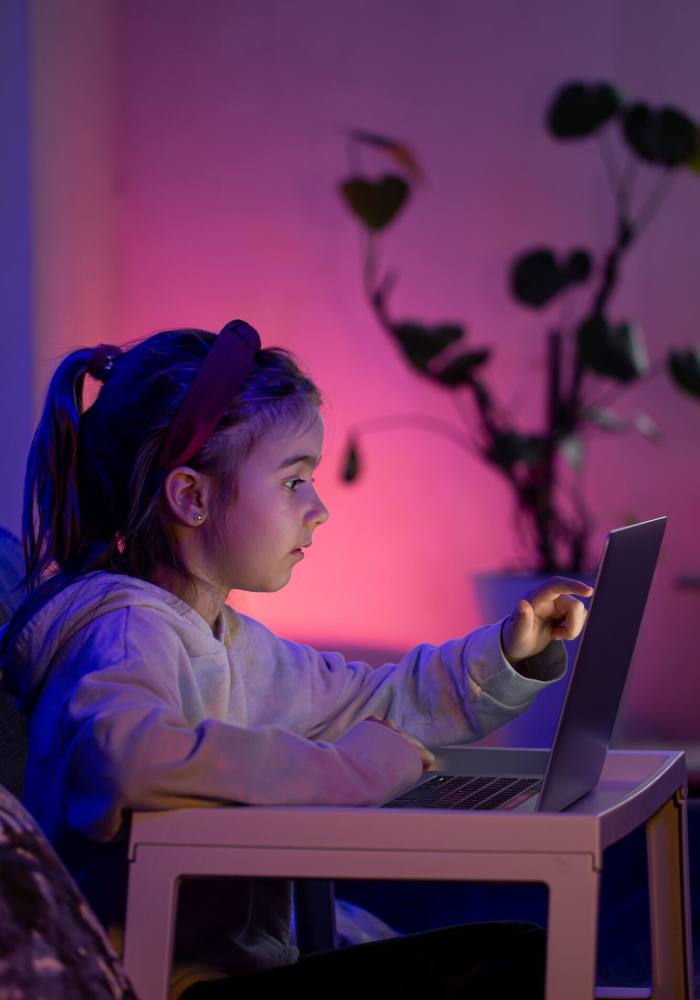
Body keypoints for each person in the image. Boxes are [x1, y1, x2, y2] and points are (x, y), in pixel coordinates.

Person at [0, 320, 592, 998]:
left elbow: (370, 700)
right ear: (191, 496)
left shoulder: (226, 637)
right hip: (172, 987)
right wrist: (350, 771)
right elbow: (125, 757)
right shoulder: (124, 630)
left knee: (520, 953)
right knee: (511, 964)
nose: (318, 509)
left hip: (241, 973)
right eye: (293, 481)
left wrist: (509, 653)